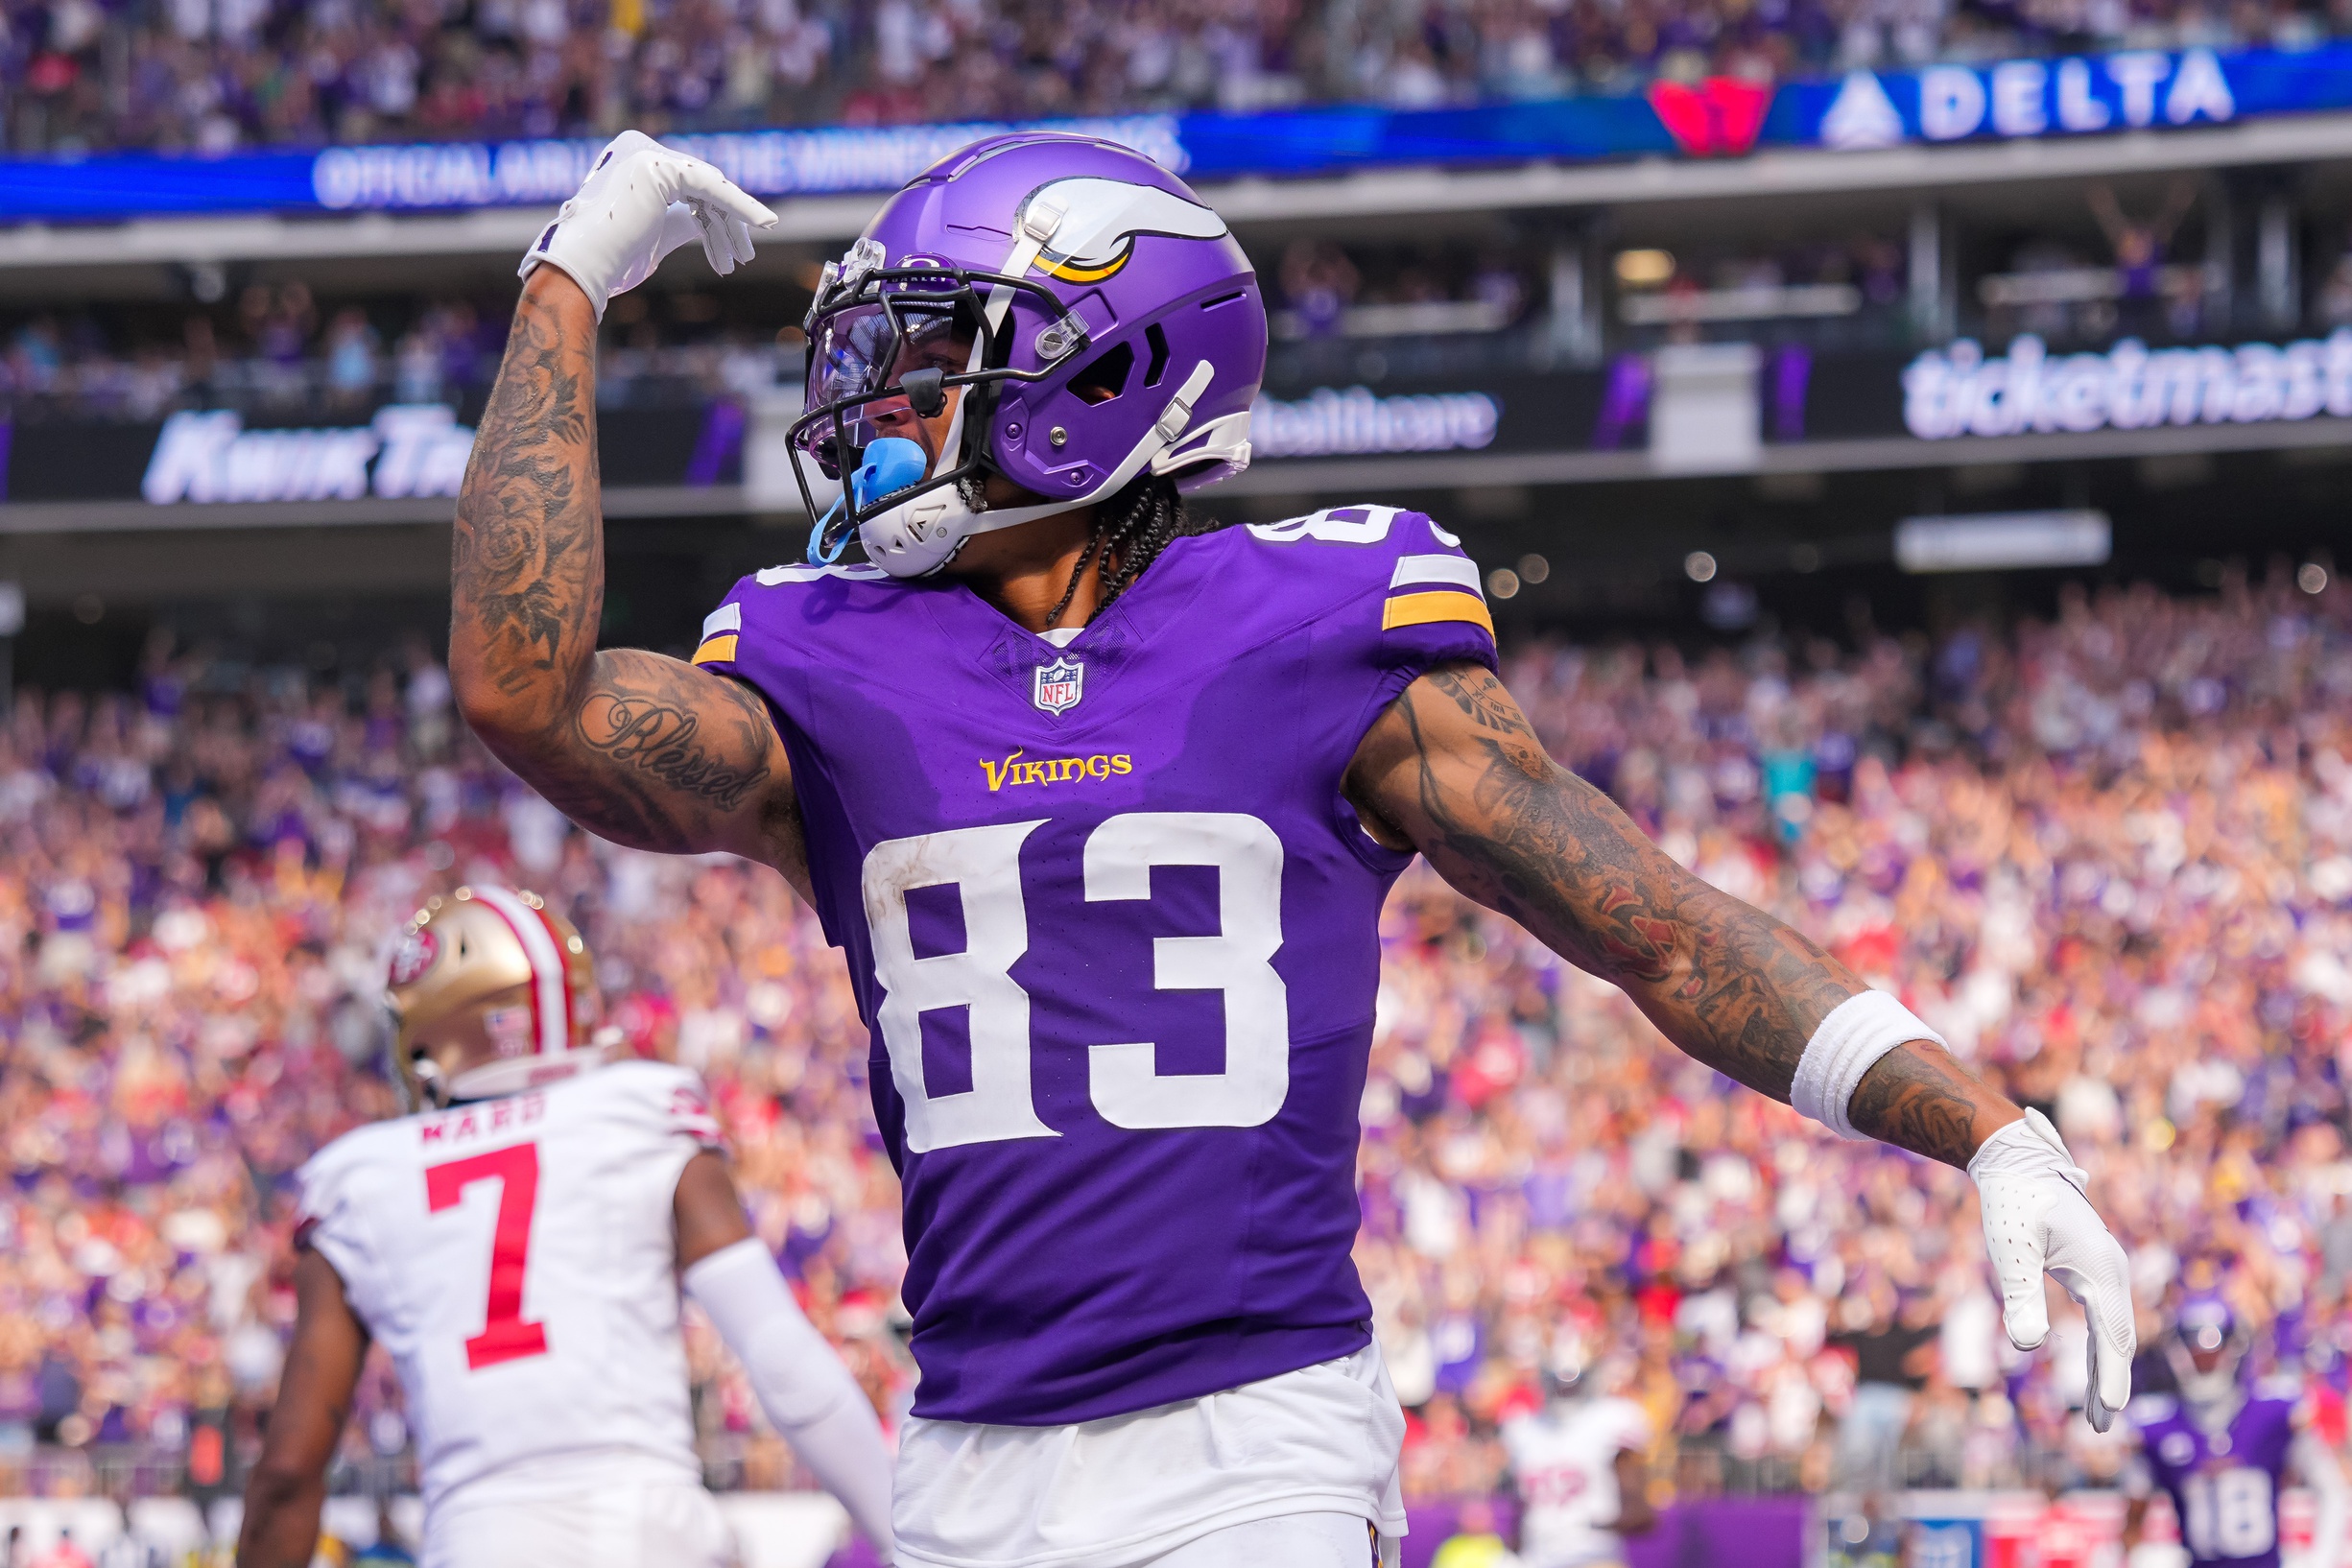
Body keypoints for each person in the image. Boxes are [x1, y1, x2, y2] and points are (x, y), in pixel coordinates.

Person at [447, 129, 2137, 1568]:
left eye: (936, 354)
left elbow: (1663, 932)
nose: (880, 407)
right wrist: (565, 282)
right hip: (963, 1445)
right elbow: (523, 690)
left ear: (1099, 371)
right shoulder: (828, 656)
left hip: (1250, 1441)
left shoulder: (1316, 622)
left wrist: (1989, 1127)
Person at [234, 886, 896, 1568]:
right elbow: (784, 1363)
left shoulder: (363, 1177)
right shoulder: (638, 1109)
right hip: (653, 1535)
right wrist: (907, 1546)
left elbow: (288, 1472)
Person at [2122, 1297, 2349, 1568]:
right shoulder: (2154, 1425)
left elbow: (2332, 1490)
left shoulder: (2276, 1411)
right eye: (2196, 1352)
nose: (2205, 1361)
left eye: (2212, 1351)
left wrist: (2320, 1560)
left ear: (2234, 1348)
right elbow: (2133, 1518)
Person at [1500, 1363, 1654, 1568]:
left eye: (1572, 1383)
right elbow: (1520, 1512)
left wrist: (1589, 1525)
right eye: (1558, 1382)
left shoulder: (1612, 1419)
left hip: (1593, 1555)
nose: (1564, 1389)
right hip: (1537, 1558)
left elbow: (1642, 1515)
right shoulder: (1522, 1428)